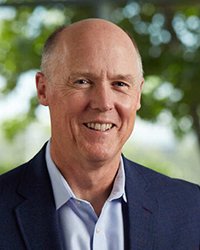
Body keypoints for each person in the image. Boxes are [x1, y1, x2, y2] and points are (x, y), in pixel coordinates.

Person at [0, 18, 199, 250]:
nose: (104, 103)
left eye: (120, 84)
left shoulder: (191, 209)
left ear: (138, 96)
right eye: (83, 81)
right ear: (43, 89)